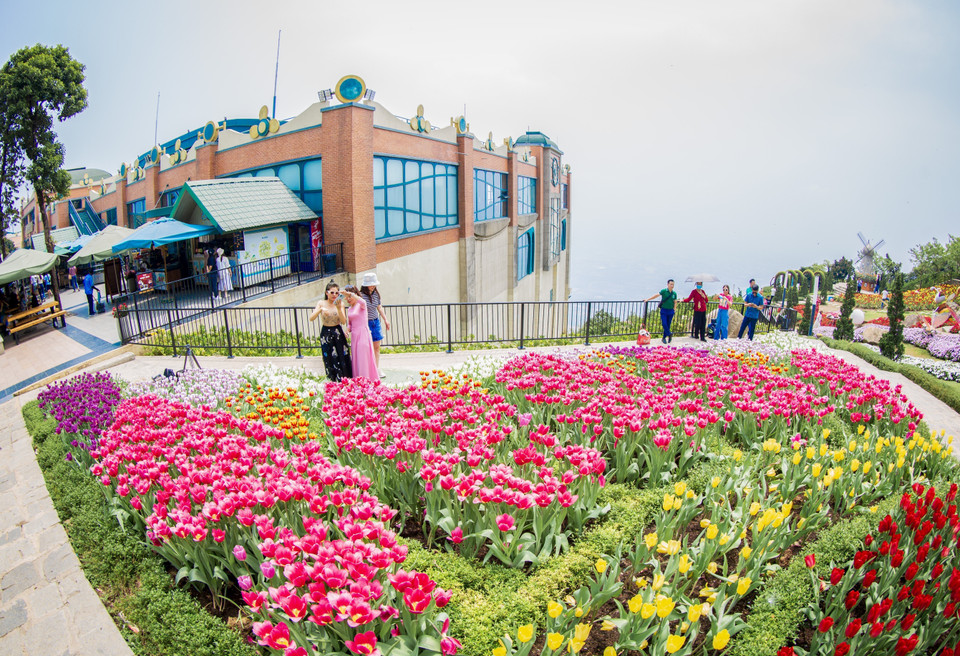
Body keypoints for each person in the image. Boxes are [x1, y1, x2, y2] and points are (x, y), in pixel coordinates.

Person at [309, 282, 352, 382]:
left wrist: (338, 308)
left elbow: (343, 321)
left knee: (341, 355)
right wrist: (320, 310)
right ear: (327, 293)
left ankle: (344, 379)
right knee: (328, 356)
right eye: (332, 292)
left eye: (336, 293)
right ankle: (332, 379)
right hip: (326, 332)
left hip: (337, 331)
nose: (334, 295)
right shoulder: (321, 303)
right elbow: (311, 318)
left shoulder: (340, 303)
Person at [343, 285, 379, 381]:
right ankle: (358, 381)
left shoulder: (361, 305)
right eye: (347, 298)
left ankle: (366, 381)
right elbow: (350, 324)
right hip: (354, 336)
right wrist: (347, 330)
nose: (348, 299)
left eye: (350, 297)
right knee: (356, 359)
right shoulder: (350, 309)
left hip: (363, 334)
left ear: (355, 295)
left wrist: (350, 294)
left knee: (363, 358)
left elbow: (362, 301)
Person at [359, 273, 390, 377]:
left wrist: (385, 319)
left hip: (375, 322)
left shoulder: (375, 294)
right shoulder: (361, 296)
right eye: (371, 284)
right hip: (366, 323)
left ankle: (376, 368)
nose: (373, 286)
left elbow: (379, 307)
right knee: (367, 347)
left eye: (374, 284)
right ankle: (368, 369)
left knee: (377, 347)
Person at [646, 279, 677, 344]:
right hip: (664, 310)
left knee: (668, 325)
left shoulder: (674, 293)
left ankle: (664, 338)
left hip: (670, 311)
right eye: (671, 284)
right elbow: (656, 295)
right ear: (668, 284)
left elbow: (675, 302)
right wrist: (648, 299)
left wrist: (674, 309)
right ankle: (669, 334)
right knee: (664, 323)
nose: (672, 286)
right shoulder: (664, 291)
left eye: (673, 284)